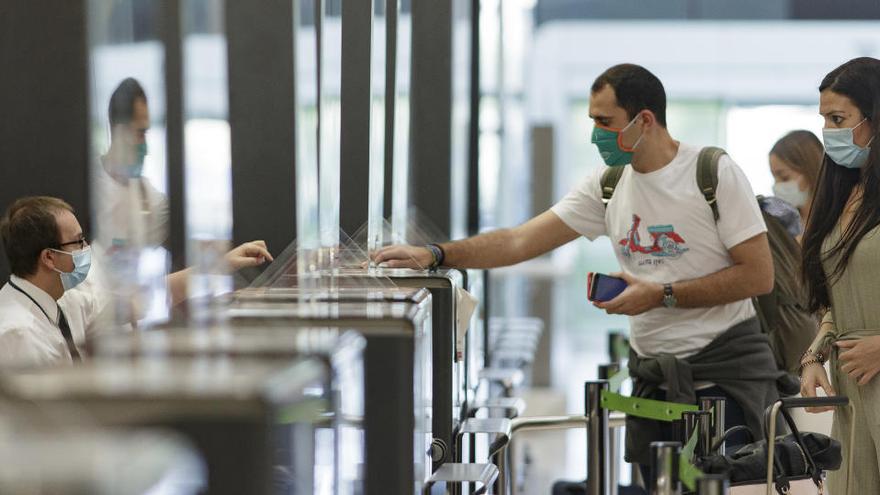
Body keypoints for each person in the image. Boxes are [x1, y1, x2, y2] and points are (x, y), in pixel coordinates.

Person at [374, 63, 787, 469]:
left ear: (644, 120)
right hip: (654, 380)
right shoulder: (607, 185)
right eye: (591, 121)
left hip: (723, 382)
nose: (595, 135)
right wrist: (436, 254)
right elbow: (520, 240)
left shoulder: (712, 173)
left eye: (605, 121)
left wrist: (662, 295)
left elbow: (758, 275)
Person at [0, 196, 272, 367]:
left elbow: (143, 300)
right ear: (49, 257)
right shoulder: (18, 334)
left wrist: (218, 266)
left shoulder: (63, 300)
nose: (86, 249)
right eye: (78, 241)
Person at [799, 57, 880, 493]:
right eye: (824, 120)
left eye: (839, 119)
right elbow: (836, 299)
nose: (829, 132)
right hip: (853, 385)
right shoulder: (843, 194)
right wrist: (814, 356)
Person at [95, 77, 168, 248]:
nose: (145, 148)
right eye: (140, 133)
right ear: (119, 132)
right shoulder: (90, 187)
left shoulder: (150, 199)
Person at [769, 130, 824, 238]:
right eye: (774, 178)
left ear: (810, 171)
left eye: (784, 177)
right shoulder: (786, 224)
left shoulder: (838, 220)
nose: (776, 186)